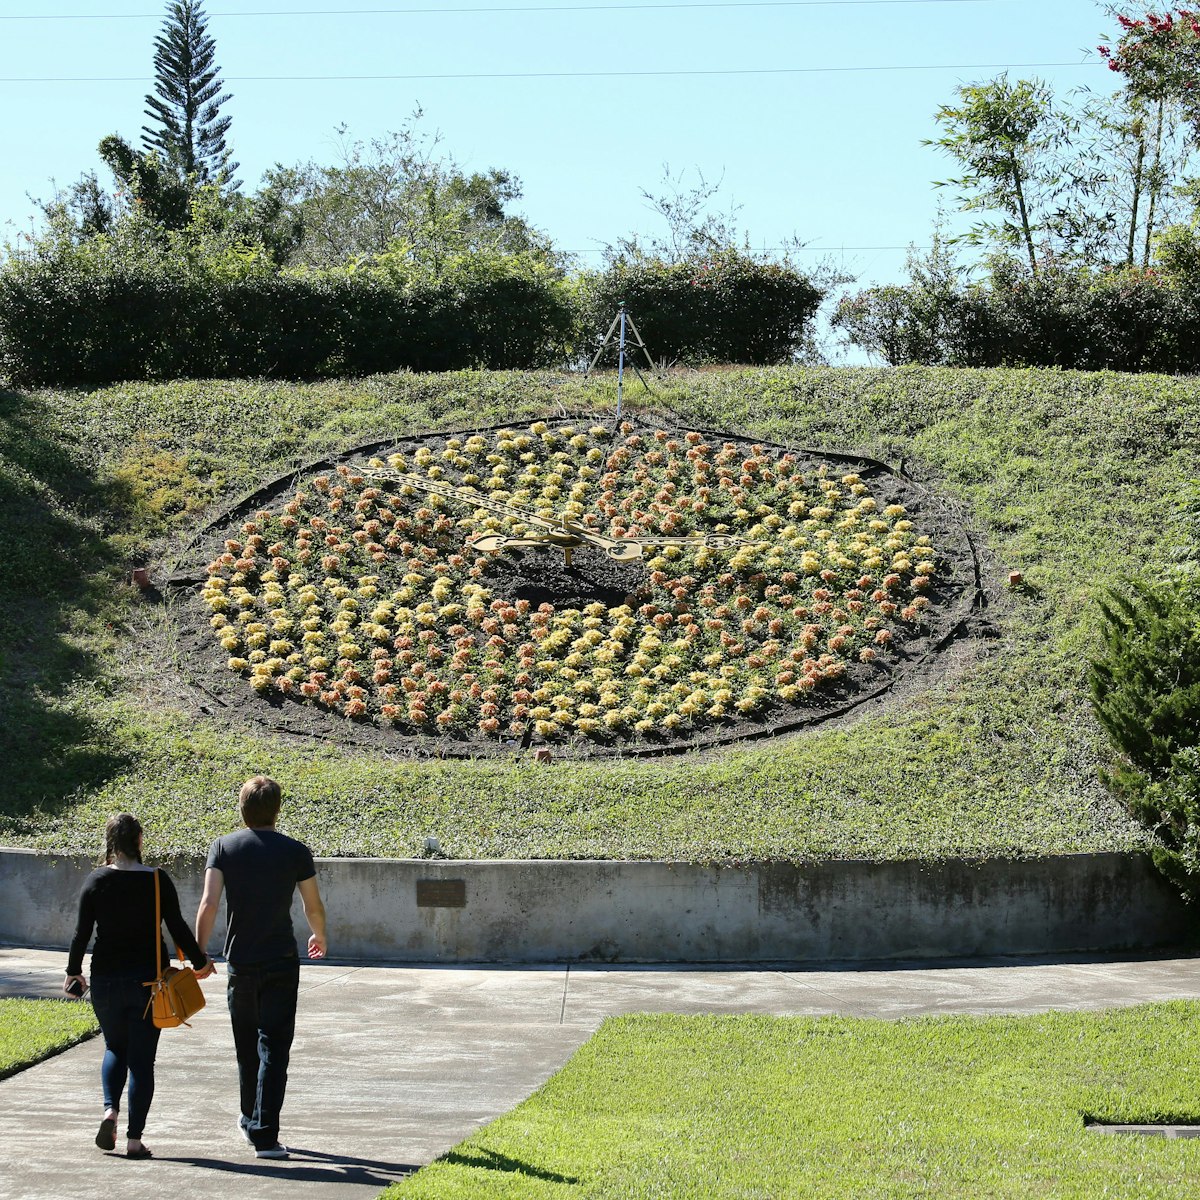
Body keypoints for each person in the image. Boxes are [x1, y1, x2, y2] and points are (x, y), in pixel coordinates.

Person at [64, 812, 215, 1160]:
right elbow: (176, 927)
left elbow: (81, 933)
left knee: (115, 1047)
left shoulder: (96, 881)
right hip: (149, 984)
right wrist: (199, 962)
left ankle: (109, 1112)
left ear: (110, 843)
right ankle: (134, 1140)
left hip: (104, 980)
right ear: (139, 840)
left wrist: (74, 971)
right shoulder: (157, 880)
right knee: (142, 1062)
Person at [195, 775, 327, 1160]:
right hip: (281, 960)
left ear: (243, 809)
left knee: (246, 1046)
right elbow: (312, 905)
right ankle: (264, 1133)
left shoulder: (223, 847)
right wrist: (319, 935)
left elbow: (208, 903)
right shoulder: (295, 851)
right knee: (275, 1048)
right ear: (277, 809)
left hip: (241, 962)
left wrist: (199, 953)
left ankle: (248, 1118)